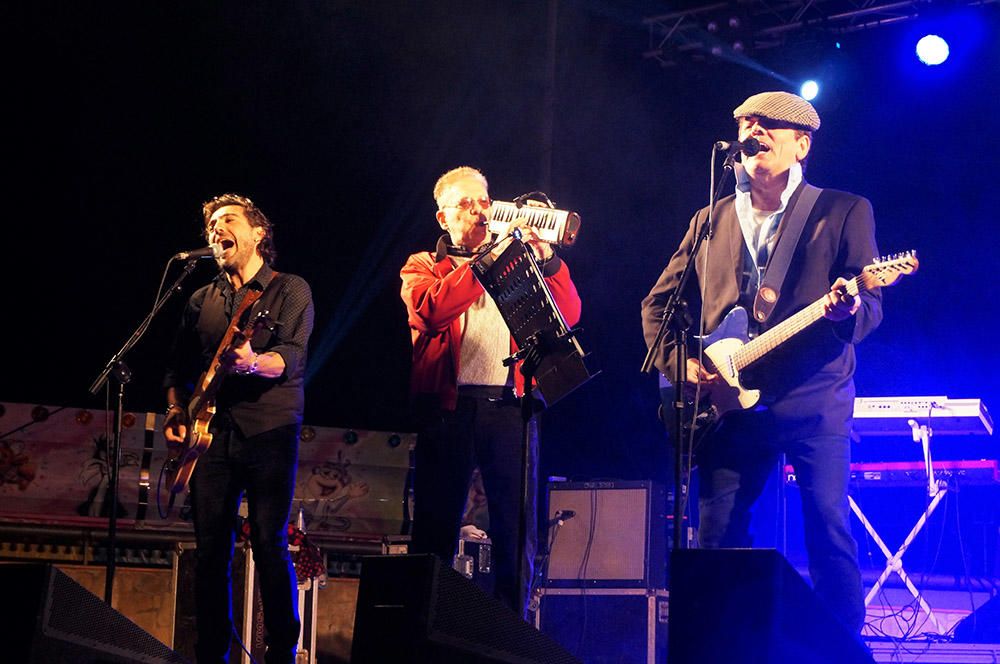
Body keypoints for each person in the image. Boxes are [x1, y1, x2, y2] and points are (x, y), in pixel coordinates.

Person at [641, 92, 882, 633]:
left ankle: (843, 647)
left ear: (802, 144)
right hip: (727, 403)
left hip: (812, 400)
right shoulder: (711, 216)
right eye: (747, 126)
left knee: (826, 525)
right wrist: (685, 369)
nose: (754, 134)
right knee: (718, 533)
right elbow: (657, 305)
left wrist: (845, 310)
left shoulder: (841, 210)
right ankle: (721, 645)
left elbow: (869, 308)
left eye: (768, 126)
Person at [401, 166, 582, 616]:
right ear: (444, 218)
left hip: (510, 407)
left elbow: (570, 314)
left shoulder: (514, 260)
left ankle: (511, 630)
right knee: (436, 524)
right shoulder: (424, 264)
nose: (480, 211)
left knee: (515, 524)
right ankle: (425, 627)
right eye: (466, 204)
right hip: (448, 409)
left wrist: (547, 259)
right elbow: (431, 311)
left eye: (485, 202)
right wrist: (496, 256)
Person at [163, 193, 314, 664]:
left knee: (269, 541)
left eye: (227, 221)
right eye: (210, 225)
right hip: (209, 435)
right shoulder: (199, 299)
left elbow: (291, 356)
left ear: (257, 234)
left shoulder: (290, 289)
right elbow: (175, 370)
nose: (215, 230)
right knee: (211, 548)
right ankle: (211, 652)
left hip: (269, 428)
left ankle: (281, 651)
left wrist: (251, 363)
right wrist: (174, 413)